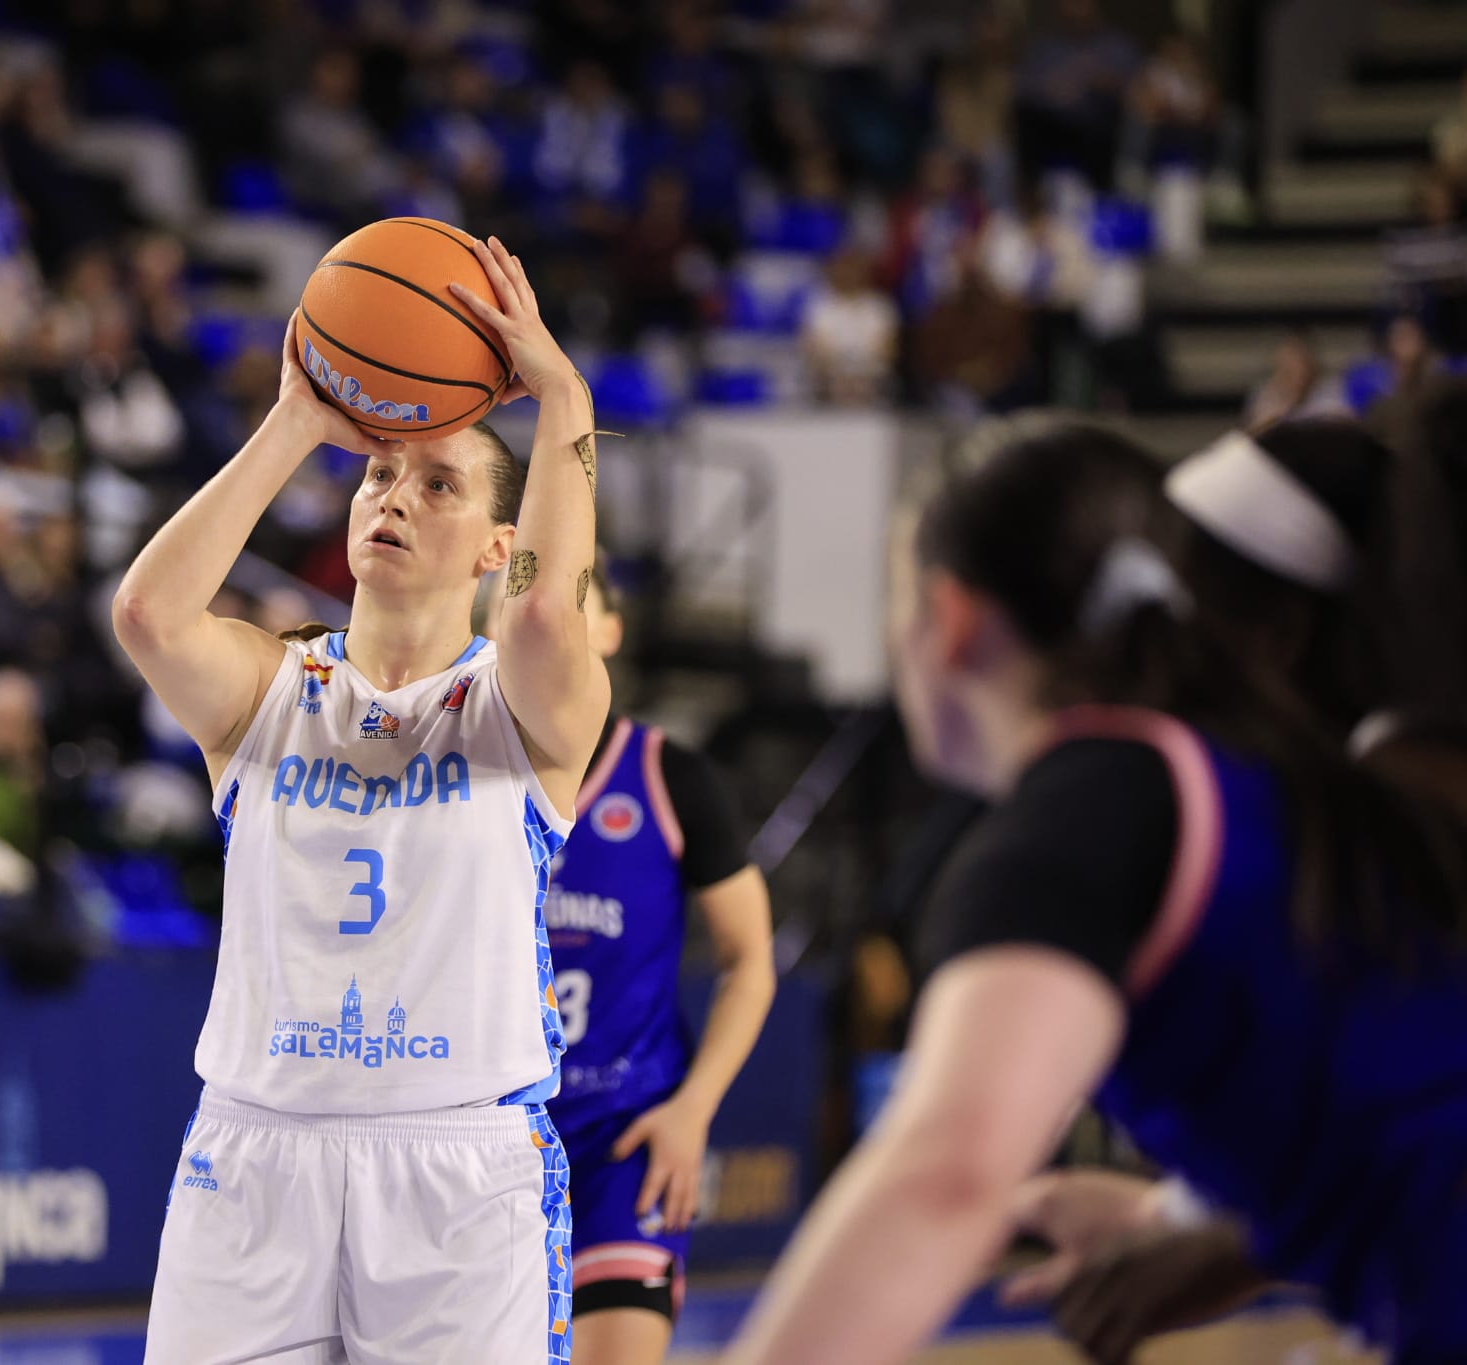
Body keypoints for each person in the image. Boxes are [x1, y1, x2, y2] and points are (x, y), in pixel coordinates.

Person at [722, 421, 1467, 1365]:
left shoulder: (1088, 804)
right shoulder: (1256, 778)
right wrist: (1187, 1208)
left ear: (946, 618)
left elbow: (945, 1175)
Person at [116, 236, 607, 1362]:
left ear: (497, 543)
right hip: (252, 1152)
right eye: (380, 476)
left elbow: (539, 614)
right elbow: (145, 615)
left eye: (437, 484)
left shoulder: (522, 708)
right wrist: (294, 420)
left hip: (457, 1170)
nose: (394, 497)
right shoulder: (268, 685)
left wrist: (562, 398)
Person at [544, 560, 776, 1365]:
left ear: (610, 631)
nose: (545, 618)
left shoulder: (668, 774)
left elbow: (750, 959)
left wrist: (696, 1106)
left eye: (573, 604)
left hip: (623, 1135)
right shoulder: (466, 772)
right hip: (488, 1139)